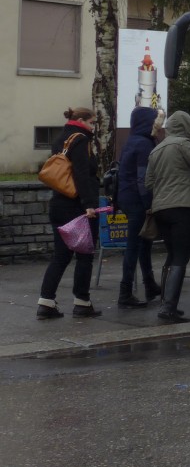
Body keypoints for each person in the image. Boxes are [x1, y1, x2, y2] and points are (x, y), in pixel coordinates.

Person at [37, 107, 103, 319]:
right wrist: (89, 204)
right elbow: (81, 174)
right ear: (81, 121)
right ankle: (82, 302)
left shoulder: (61, 138)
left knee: (61, 256)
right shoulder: (81, 140)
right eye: (91, 122)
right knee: (84, 255)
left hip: (58, 204)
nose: (93, 127)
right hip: (77, 207)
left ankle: (46, 302)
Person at [146, 110, 190, 320]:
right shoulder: (183, 144)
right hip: (182, 207)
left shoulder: (156, 150)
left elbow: (148, 183)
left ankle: (166, 303)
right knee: (181, 257)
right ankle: (168, 308)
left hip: (160, 209)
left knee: (172, 254)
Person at [115, 106, 162, 308]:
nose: (159, 126)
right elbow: (143, 179)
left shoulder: (132, 141)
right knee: (134, 245)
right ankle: (125, 293)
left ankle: (150, 285)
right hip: (136, 200)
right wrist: (148, 204)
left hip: (126, 197)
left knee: (143, 242)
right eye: (156, 122)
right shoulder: (144, 144)